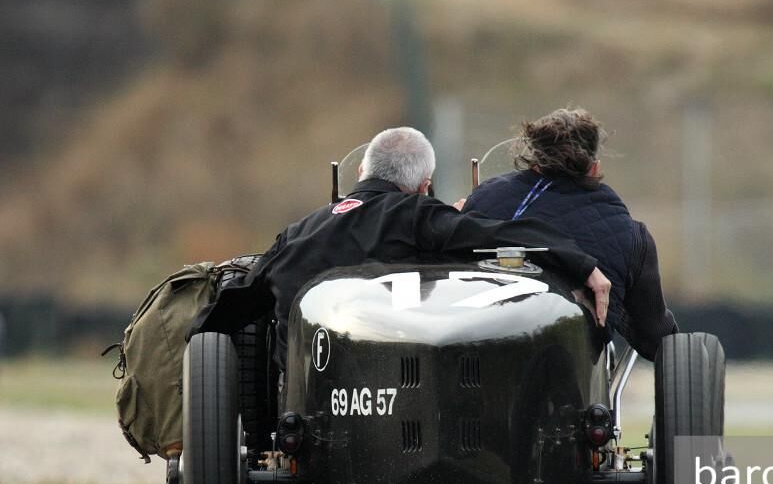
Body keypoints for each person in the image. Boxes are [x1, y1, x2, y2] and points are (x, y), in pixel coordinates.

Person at [191, 127, 612, 365]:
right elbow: (505, 233)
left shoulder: (298, 233)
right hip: (399, 398)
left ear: (361, 171)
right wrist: (584, 265)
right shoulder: (417, 217)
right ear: (424, 186)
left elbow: (233, 306)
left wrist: (194, 349)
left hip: (301, 420)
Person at [460, 108, 678, 360]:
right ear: (594, 168)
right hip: (570, 370)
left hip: (474, 349)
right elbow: (655, 340)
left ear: (535, 162)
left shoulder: (484, 198)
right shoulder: (630, 234)